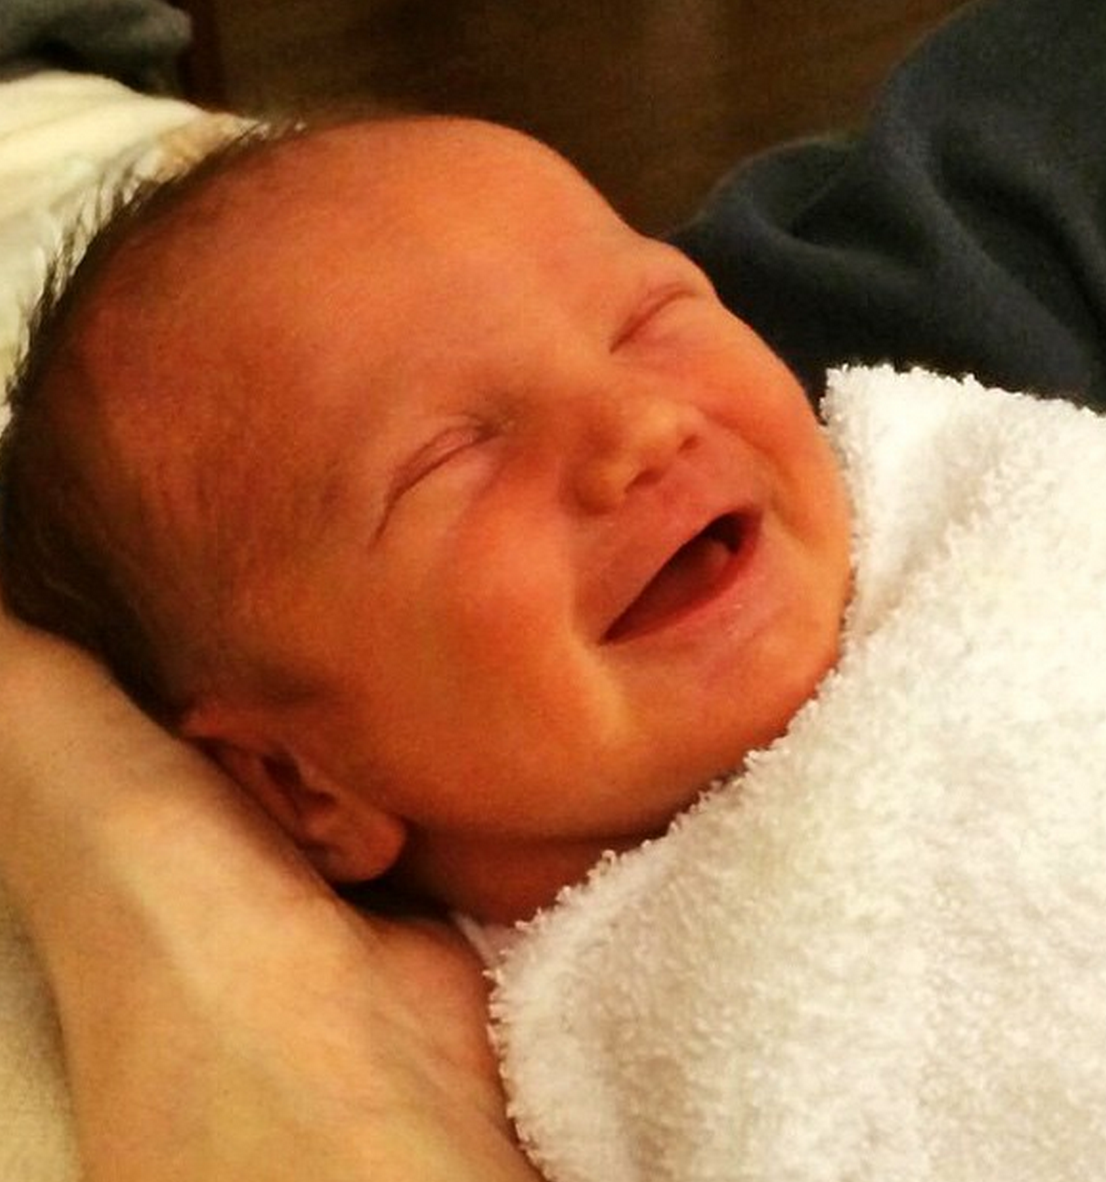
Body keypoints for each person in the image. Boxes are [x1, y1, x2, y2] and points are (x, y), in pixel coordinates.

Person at [3, 0, 1106, 1176]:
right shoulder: (573, 1054)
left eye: (652, 319)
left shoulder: (963, 481)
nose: (638, 425)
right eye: (450, 456)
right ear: (301, 784)